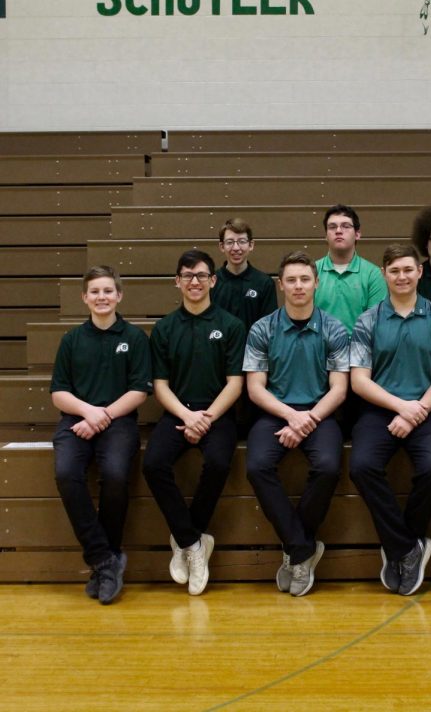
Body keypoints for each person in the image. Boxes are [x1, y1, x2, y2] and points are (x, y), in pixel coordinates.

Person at [349, 244, 431, 596]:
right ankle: (407, 548)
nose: (401, 276)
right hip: (381, 409)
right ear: (384, 274)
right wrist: (400, 407)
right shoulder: (367, 320)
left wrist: (415, 412)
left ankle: (402, 546)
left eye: (408, 270)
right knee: (362, 466)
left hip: (427, 410)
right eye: (394, 271)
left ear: (419, 272)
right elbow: (359, 380)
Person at [243, 252, 349, 597]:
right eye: (291, 280)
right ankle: (301, 549)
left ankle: (294, 550)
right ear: (280, 285)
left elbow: (339, 388)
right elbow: (255, 388)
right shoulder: (263, 328)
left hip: (320, 412)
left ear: (316, 283)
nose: (299, 286)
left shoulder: (333, 327)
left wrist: (309, 418)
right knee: (257, 466)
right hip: (276, 412)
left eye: (305, 279)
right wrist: (291, 416)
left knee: (329, 466)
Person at [142, 250, 246, 596]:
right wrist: (187, 416)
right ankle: (193, 543)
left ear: (213, 280)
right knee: (153, 464)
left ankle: (189, 538)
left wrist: (206, 418)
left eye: (201, 275)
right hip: (177, 413)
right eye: (187, 276)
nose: (195, 282)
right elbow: (159, 385)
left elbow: (236, 383)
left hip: (217, 414)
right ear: (177, 281)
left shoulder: (230, 326)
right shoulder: (165, 328)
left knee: (218, 462)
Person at [50, 266, 152, 605]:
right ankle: (105, 559)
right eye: (95, 291)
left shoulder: (134, 338)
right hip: (75, 421)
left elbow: (139, 390)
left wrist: (103, 415)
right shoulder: (71, 340)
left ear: (119, 295)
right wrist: (88, 412)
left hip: (118, 421)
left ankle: (104, 562)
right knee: (66, 474)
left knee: (115, 475)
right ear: (84, 297)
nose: (102, 297)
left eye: (108, 291)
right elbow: (58, 393)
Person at [315, 204, 388, 334]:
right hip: (319, 349)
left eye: (345, 226)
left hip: (359, 349)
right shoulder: (312, 271)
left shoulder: (373, 274)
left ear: (358, 234)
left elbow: (375, 324)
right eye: (332, 227)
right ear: (325, 235)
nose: (338, 230)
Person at [210, 218, 278, 330]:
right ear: (222, 246)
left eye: (242, 241)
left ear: (251, 245)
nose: (236, 248)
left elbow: (269, 328)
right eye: (230, 242)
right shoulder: (211, 282)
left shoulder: (265, 283)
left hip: (253, 348)